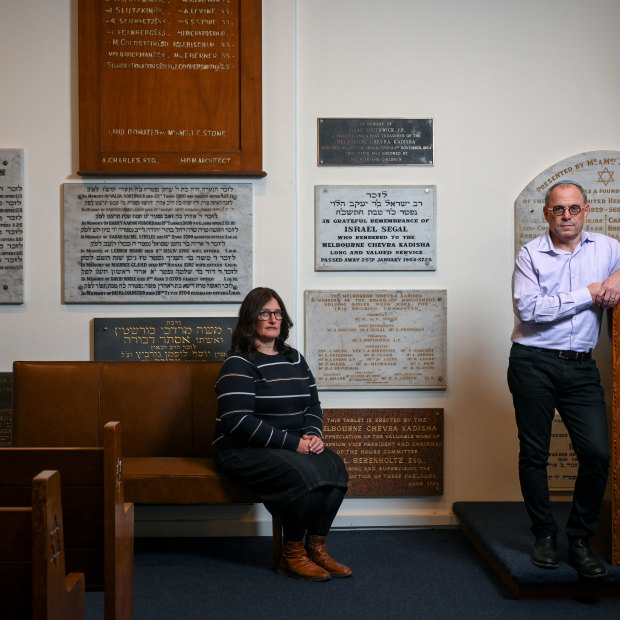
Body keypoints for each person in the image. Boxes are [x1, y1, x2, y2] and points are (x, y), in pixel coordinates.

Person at [508, 180, 620, 578]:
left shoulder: (607, 248)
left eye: (574, 209)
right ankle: (544, 536)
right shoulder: (530, 253)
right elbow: (529, 309)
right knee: (534, 454)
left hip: (580, 366)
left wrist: (618, 276)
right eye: (558, 210)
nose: (566, 217)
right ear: (546, 214)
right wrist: (590, 292)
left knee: (596, 454)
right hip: (532, 363)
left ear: (586, 211)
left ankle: (578, 540)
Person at [212, 286, 351, 581]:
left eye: (278, 313)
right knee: (305, 476)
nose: (273, 319)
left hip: (290, 443)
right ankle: (292, 553)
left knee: (335, 469)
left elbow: (312, 404)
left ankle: (317, 548)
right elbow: (238, 422)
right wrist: (294, 444)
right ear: (251, 319)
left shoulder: (295, 359)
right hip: (240, 447)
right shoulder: (238, 363)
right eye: (265, 312)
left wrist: (313, 434)